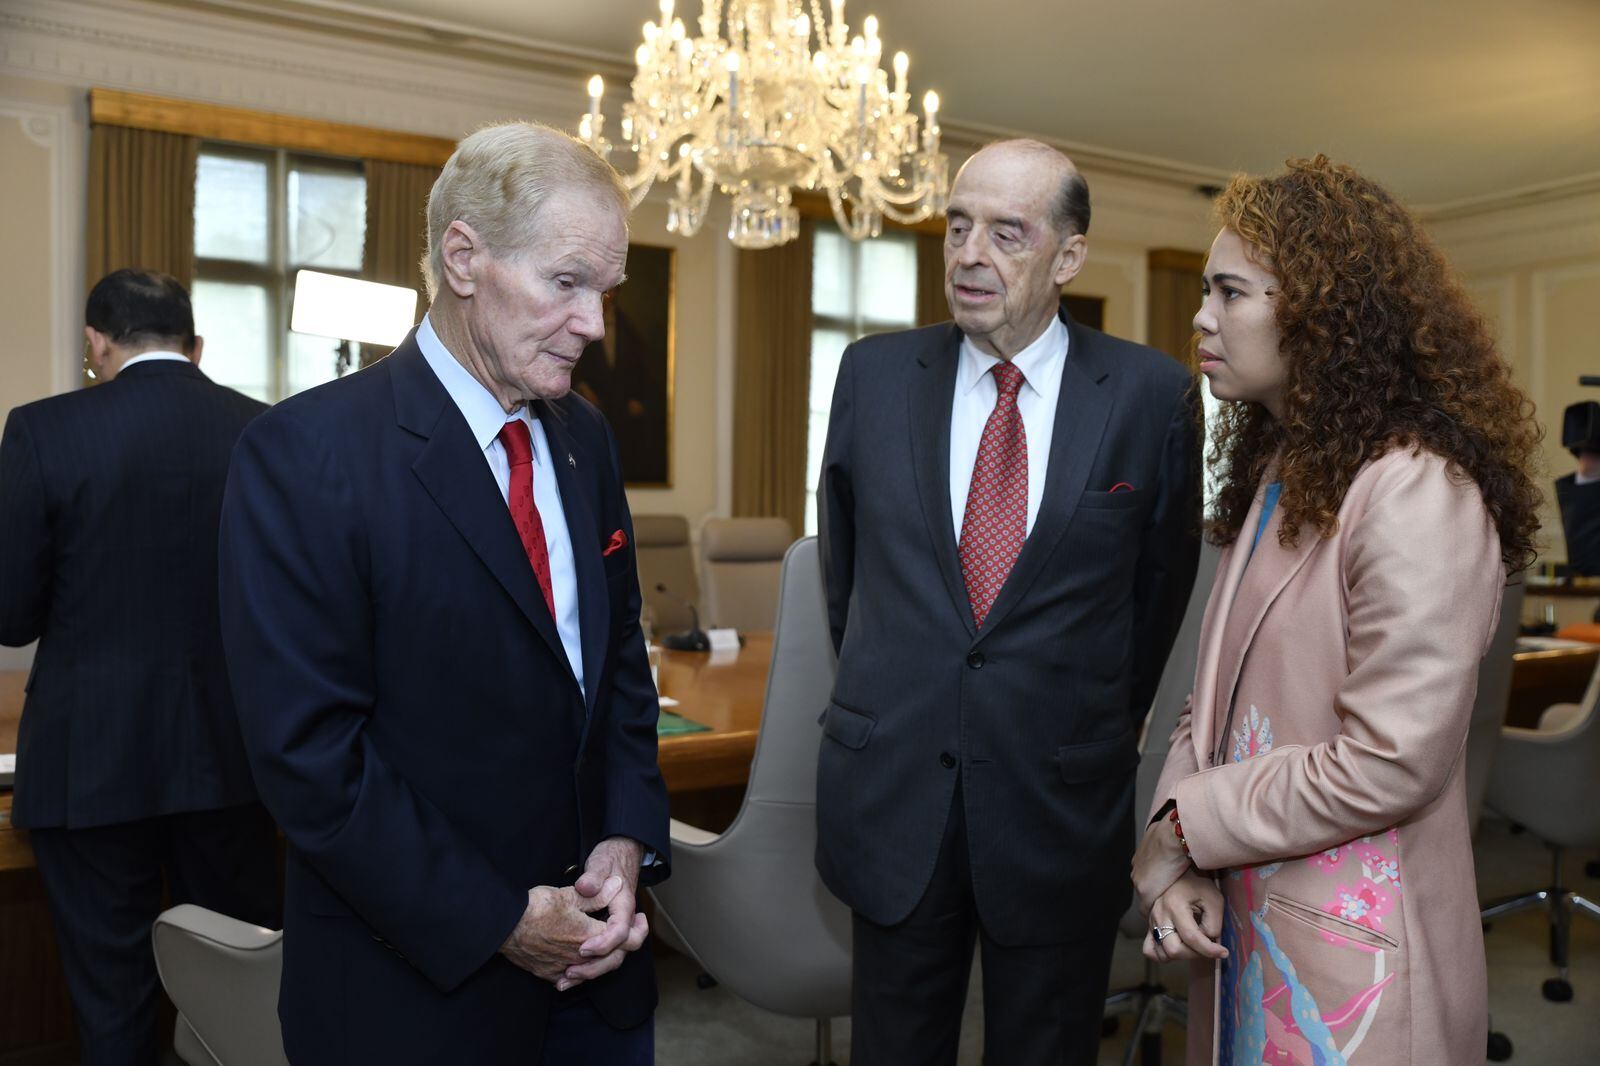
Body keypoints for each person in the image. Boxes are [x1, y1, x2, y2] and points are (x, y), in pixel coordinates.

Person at [217, 122, 669, 1063]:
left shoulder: (584, 439)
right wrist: (501, 918)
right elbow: (310, 757)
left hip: (601, 985)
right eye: (566, 282)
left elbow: (620, 662)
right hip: (413, 999)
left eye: (606, 291)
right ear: (464, 259)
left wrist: (628, 837)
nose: (594, 322)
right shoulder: (306, 454)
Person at [1133, 155, 1541, 1064]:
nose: (1200, 316)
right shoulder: (1282, 471)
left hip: (1352, 963)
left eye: (1230, 292)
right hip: (1247, 911)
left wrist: (1184, 826)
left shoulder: (1418, 489)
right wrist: (1181, 853)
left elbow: (1390, 761)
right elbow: (1213, 702)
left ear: (1318, 313)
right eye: (1204, 290)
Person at [815, 138, 1201, 1065]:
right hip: (896, 793)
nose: (969, 254)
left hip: (1056, 804)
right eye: (956, 227)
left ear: (1068, 256)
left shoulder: (1151, 396)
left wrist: (1080, 715)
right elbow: (846, 575)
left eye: (1005, 232)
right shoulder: (872, 378)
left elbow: (1157, 597)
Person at [0, 269, 276, 1065]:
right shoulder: (265, 429)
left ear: (96, 343)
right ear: (195, 347)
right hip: (235, 762)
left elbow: (12, 614)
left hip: (90, 763)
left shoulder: (42, 430)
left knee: (111, 1000)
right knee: (239, 992)